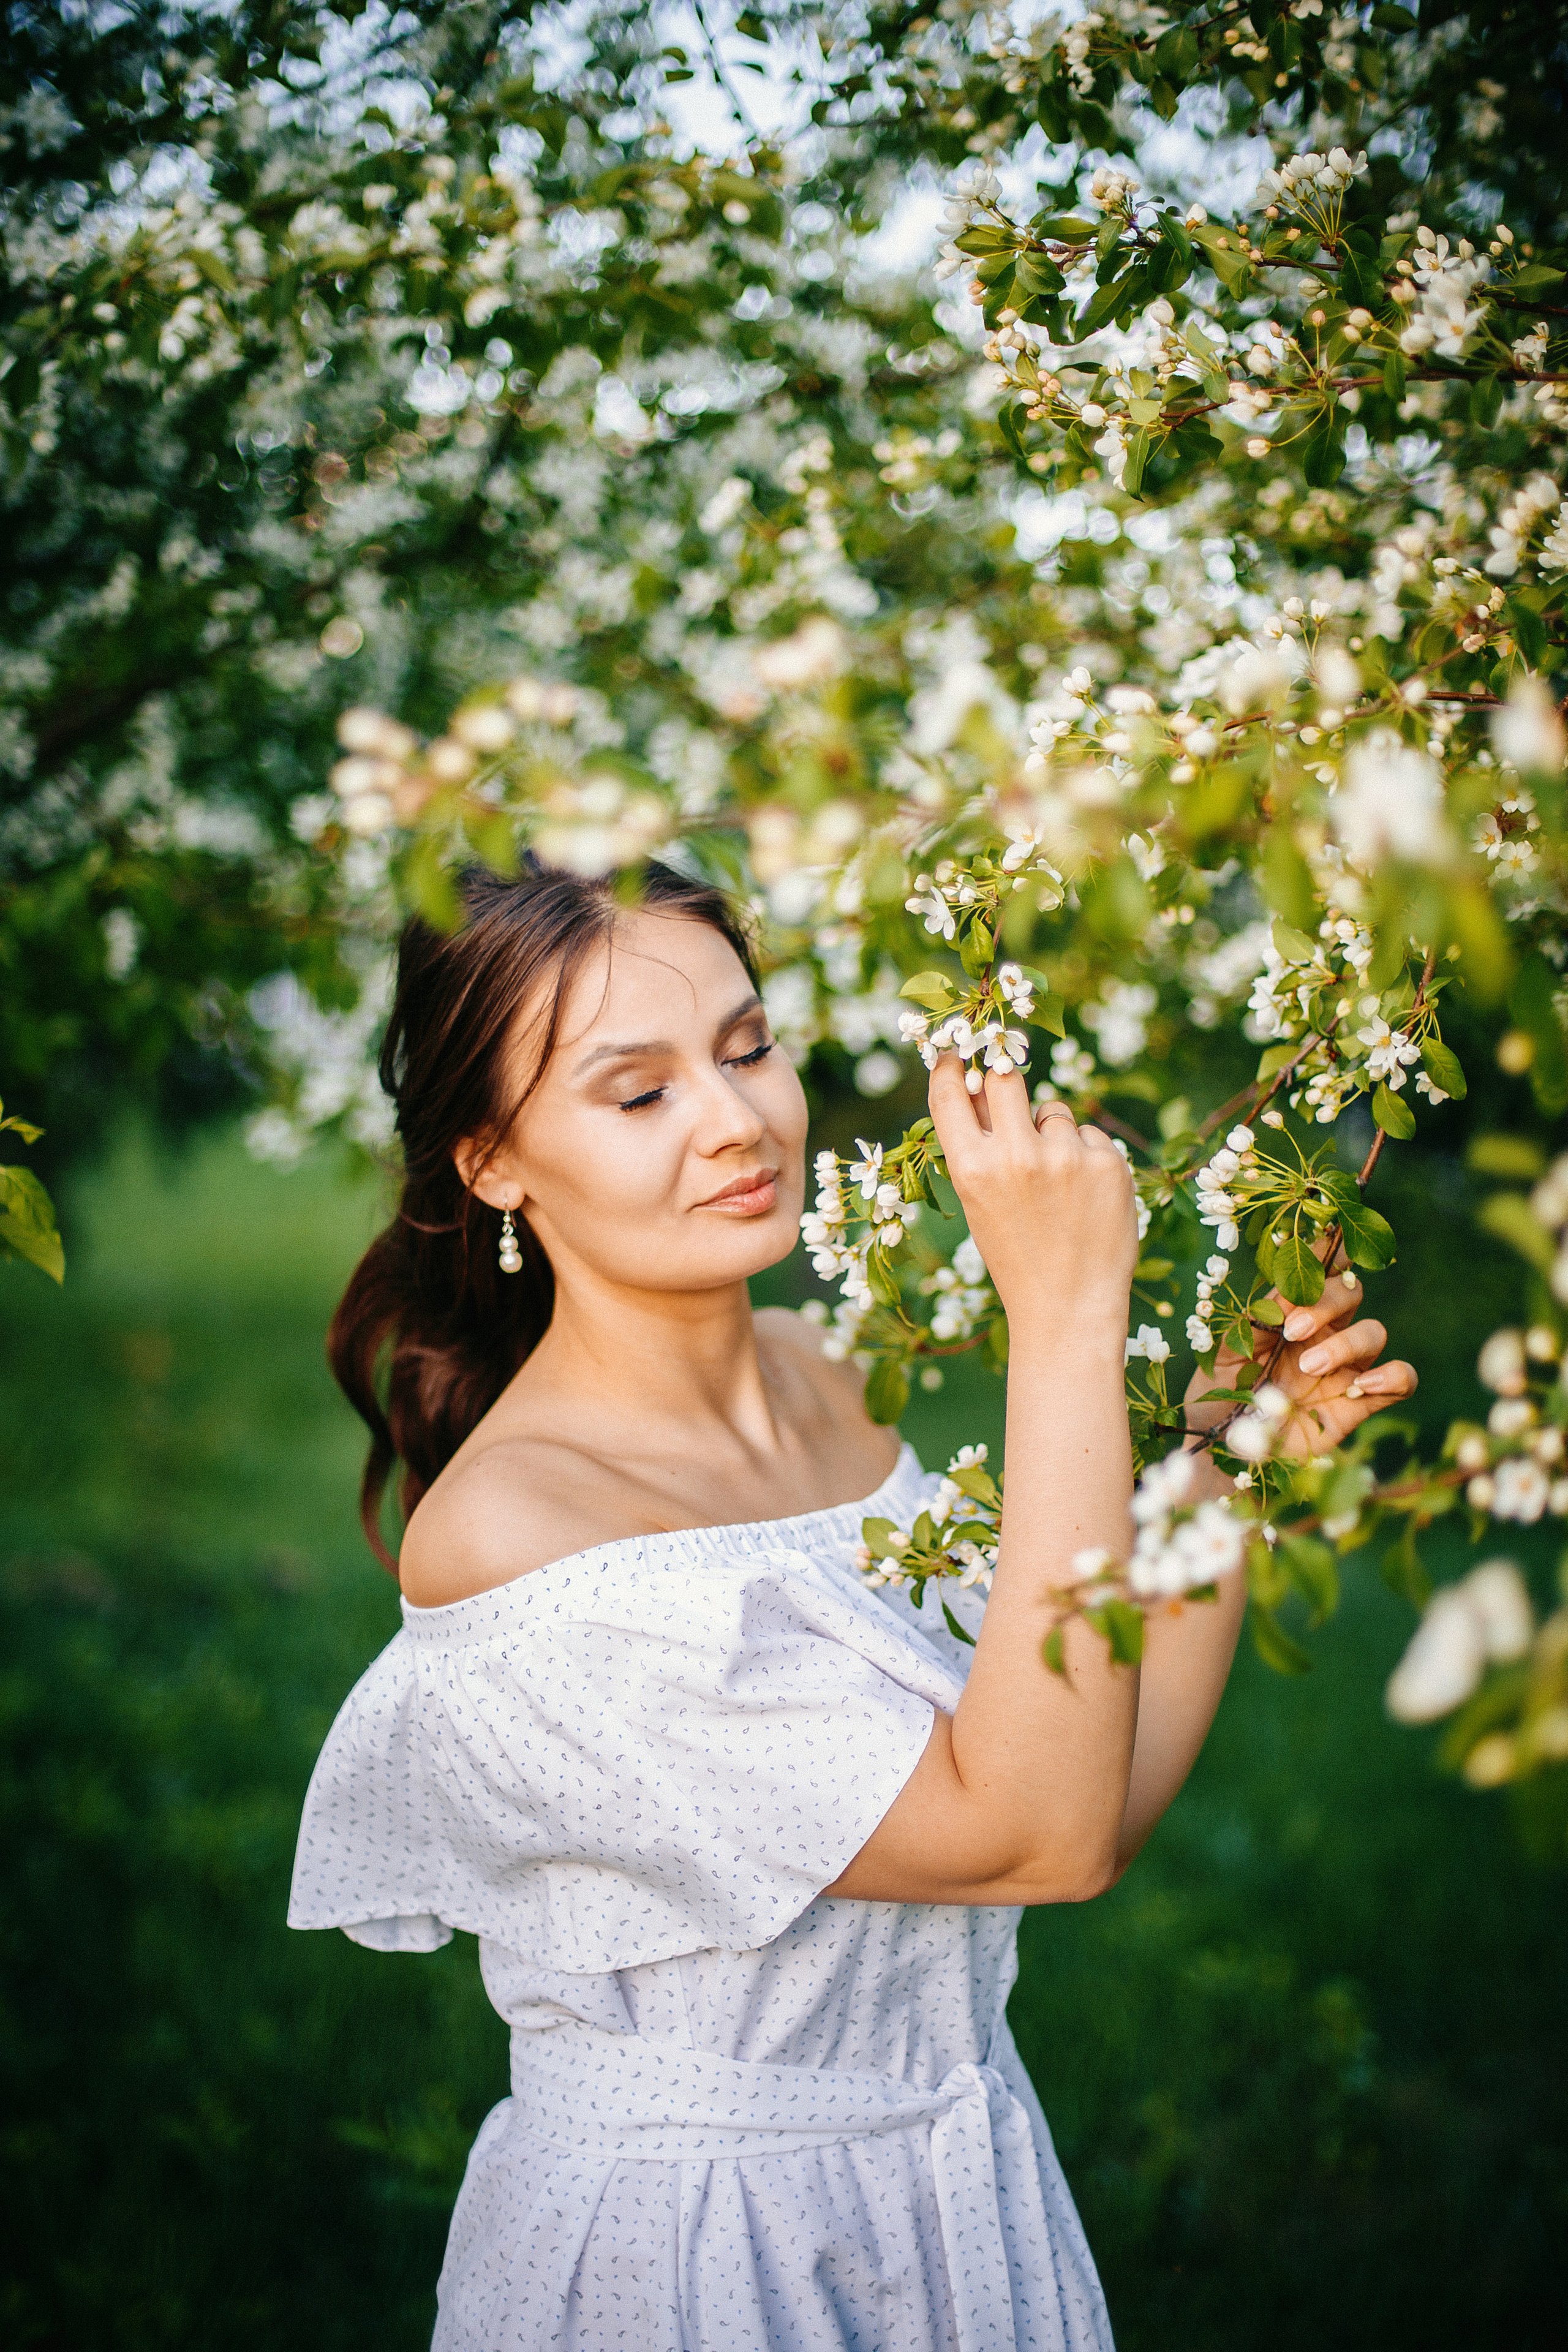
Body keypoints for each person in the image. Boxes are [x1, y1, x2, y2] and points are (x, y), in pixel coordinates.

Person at [290, 861, 1415, 2351]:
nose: (736, 1120)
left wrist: (1230, 1453)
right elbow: (1036, 1836)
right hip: (702, 2261)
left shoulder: (825, 1382)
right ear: (492, 1160)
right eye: (637, 1095)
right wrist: (1065, 1322)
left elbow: (1083, 1795)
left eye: (747, 1047)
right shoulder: (517, 1545)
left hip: (956, 2195)